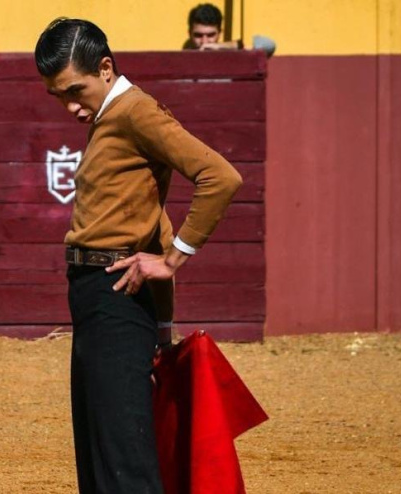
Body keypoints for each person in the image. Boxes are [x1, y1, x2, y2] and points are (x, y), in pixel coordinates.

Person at [35, 18, 242, 493]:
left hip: (115, 297)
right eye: (57, 96)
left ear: (105, 68)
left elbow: (221, 177)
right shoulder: (112, 115)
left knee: (122, 459)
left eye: (75, 90)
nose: (70, 106)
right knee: (102, 452)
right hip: (99, 297)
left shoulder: (134, 112)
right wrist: (164, 325)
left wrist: (172, 261)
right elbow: (155, 219)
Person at [184, 3, 276, 56]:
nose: (204, 42)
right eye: (198, 35)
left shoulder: (230, 57)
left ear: (220, 33)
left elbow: (268, 45)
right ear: (189, 34)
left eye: (211, 35)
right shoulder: (181, 62)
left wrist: (221, 46)